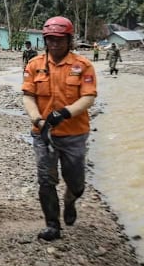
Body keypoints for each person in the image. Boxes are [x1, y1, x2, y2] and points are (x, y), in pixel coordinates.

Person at [22, 16, 97, 241]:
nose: (54, 43)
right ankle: (52, 225)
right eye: (50, 39)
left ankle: (70, 200)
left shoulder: (82, 65)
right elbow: (28, 96)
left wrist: (64, 113)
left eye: (59, 39)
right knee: (46, 180)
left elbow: (88, 97)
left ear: (68, 39)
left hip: (74, 134)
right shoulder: (35, 65)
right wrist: (38, 120)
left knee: (77, 183)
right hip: (43, 134)